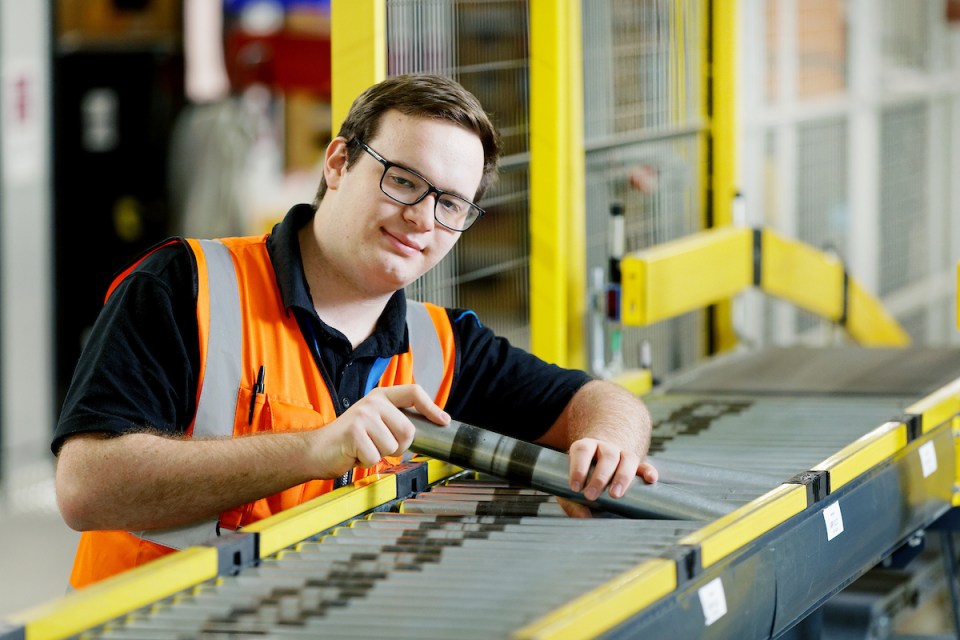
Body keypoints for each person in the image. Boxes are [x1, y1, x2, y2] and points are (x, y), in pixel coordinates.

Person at [53, 74, 657, 590]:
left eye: (452, 204)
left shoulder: (441, 346)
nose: (422, 217)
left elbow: (600, 401)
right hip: (150, 622)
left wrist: (609, 446)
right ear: (338, 162)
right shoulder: (188, 286)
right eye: (402, 180)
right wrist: (314, 449)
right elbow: (86, 487)